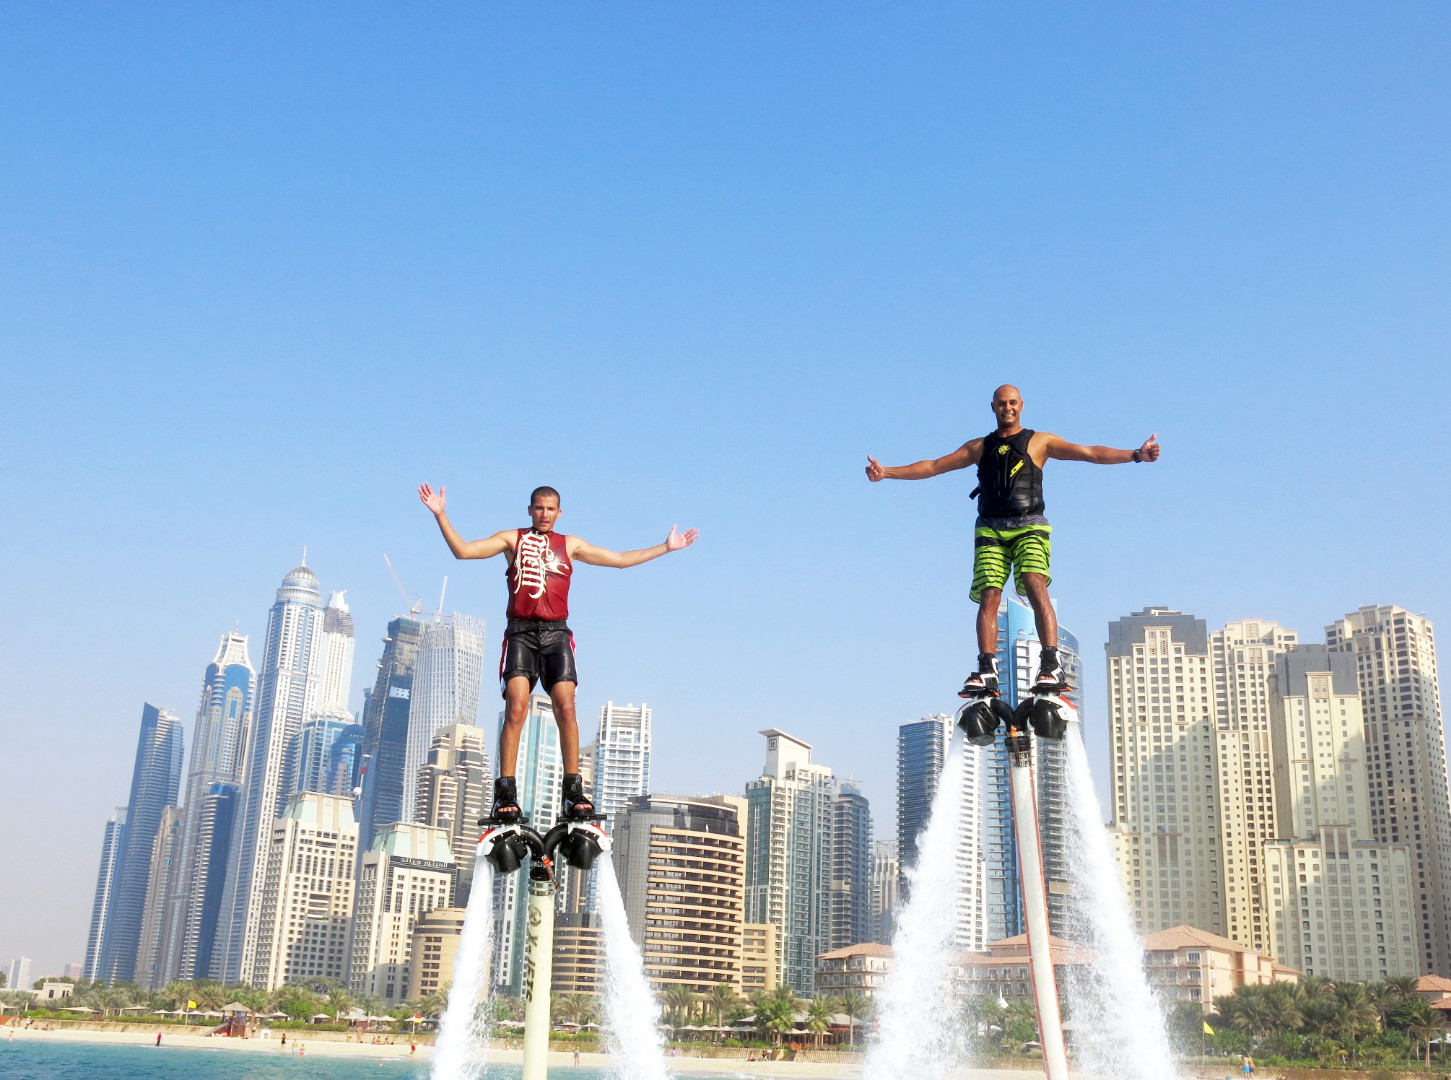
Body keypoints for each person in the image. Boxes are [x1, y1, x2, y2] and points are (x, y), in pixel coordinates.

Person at [420, 483, 697, 819]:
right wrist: (441, 515)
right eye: (538, 508)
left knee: (566, 706)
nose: (544, 514)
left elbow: (621, 560)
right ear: (530, 510)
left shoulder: (571, 544)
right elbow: (463, 551)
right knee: (516, 708)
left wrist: (666, 547)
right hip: (521, 633)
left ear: (559, 512)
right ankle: (505, 792)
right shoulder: (512, 539)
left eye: (550, 509)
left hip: (556, 634)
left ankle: (573, 790)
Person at [866, 384, 1159, 697]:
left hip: (1030, 526)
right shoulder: (978, 447)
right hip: (990, 528)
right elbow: (934, 466)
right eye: (1002, 403)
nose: (1007, 407)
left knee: (1035, 582)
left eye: (1013, 402)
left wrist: (1136, 455)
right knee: (989, 594)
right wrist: (888, 473)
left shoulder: (1040, 442)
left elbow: (1090, 453)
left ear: (1022, 405)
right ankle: (987, 668)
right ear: (992, 407)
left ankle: (1050, 662)